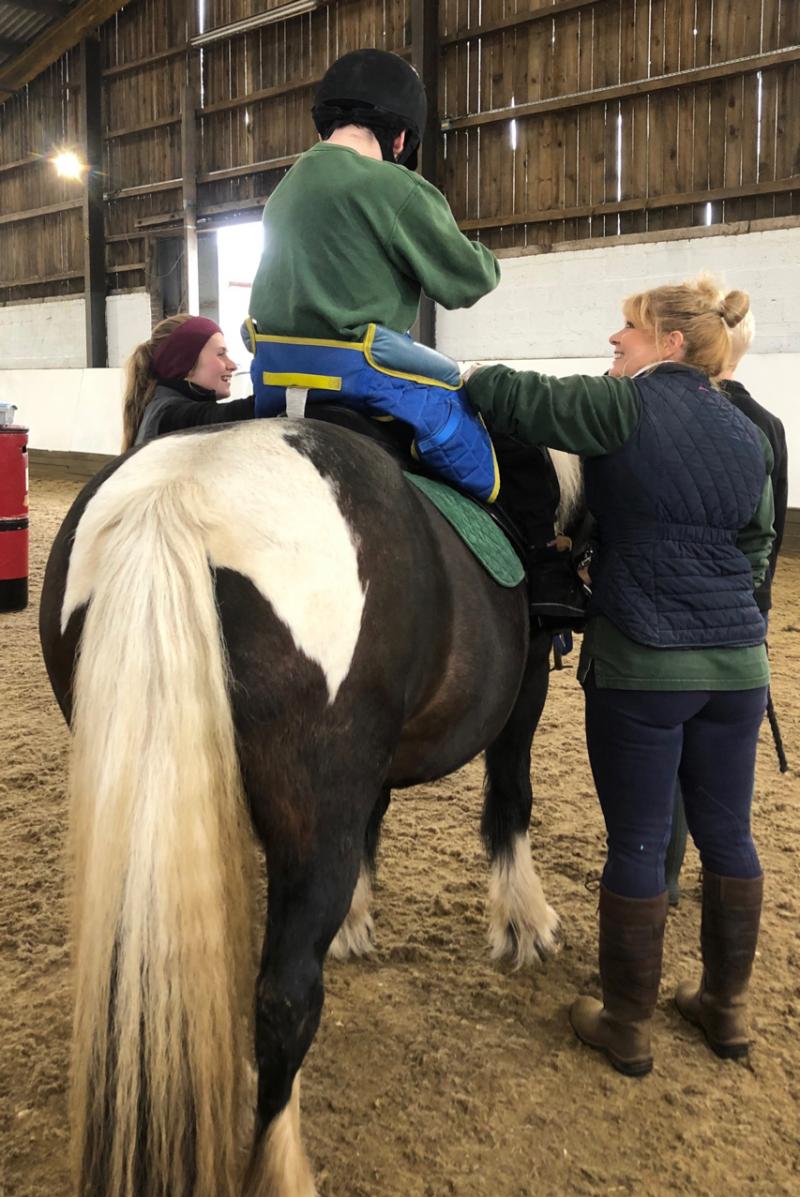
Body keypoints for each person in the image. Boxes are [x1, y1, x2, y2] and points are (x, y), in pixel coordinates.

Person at [465, 275, 775, 1076]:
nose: (614, 342)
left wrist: (463, 373)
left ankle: (627, 1023)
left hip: (645, 662)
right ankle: (725, 1008)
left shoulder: (621, 406)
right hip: (740, 665)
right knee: (731, 837)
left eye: (626, 331)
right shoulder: (747, 428)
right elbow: (750, 546)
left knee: (639, 842)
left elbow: (511, 394)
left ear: (669, 344)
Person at [246, 46, 583, 620]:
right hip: (360, 369)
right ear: (400, 139)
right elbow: (465, 281)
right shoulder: (392, 187)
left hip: (275, 373)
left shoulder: (286, 188)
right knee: (506, 433)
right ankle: (547, 569)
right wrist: (479, 252)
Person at [664, 307, 789, 903]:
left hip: (670, 612)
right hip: (745, 610)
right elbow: (767, 534)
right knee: (717, 766)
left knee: (668, 744)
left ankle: (661, 871)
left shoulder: (673, 412)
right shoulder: (769, 424)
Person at [121, 314, 254, 451]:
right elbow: (224, 416)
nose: (232, 365)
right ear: (185, 364)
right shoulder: (170, 417)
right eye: (221, 354)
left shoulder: (160, 408)